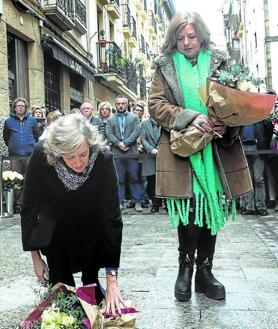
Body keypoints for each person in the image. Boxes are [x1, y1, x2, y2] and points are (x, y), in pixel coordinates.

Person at [148, 12, 252, 302]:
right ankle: (185, 269)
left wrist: (225, 122)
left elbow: (237, 100)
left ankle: (205, 272)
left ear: (201, 36)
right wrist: (189, 117)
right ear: (173, 39)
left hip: (217, 149)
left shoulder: (221, 61)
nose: (186, 42)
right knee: (189, 209)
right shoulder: (164, 66)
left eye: (191, 36)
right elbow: (155, 105)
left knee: (211, 207)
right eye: (180, 37)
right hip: (181, 150)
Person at [21, 113, 124, 314]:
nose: (78, 163)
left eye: (83, 154)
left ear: (90, 145)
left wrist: (112, 277)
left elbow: (112, 216)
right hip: (55, 230)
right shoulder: (42, 154)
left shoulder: (103, 158)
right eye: (70, 157)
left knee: (92, 292)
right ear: (57, 153)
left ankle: (91, 290)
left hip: (91, 228)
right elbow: (29, 206)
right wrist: (35, 256)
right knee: (62, 299)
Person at [3, 97, 41, 212]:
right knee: (16, 180)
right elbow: (6, 137)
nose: (21, 107)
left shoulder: (32, 120)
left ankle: (26, 202)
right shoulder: (8, 121)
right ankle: (18, 204)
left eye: (23, 106)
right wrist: (12, 146)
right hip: (15, 155)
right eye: (18, 106)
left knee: (29, 179)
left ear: (26, 108)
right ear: (14, 107)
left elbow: (37, 135)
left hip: (30, 155)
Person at [106, 95, 143, 212]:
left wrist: (126, 143)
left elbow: (137, 131)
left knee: (134, 178)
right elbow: (109, 133)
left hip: (131, 153)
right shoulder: (110, 119)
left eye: (123, 103)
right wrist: (119, 144)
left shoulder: (134, 117)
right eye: (118, 103)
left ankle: (137, 202)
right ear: (115, 104)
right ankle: (120, 202)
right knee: (118, 179)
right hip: (117, 154)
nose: (121, 105)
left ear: (126, 104)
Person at [240, 119, 273, 216]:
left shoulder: (260, 116)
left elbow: (269, 131)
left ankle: (260, 206)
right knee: (247, 180)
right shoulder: (241, 116)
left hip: (258, 148)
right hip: (243, 147)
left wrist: (265, 145)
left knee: (259, 179)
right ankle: (249, 207)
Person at [141, 116, 161, 212]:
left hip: (163, 154)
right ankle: (155, 204)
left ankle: (164, 202)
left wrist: (159, 149)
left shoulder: (164, 121)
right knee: (151, 181)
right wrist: (151, 149)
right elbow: (143, 139)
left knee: (163, 180)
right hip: (149, 155)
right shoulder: (144, 124)